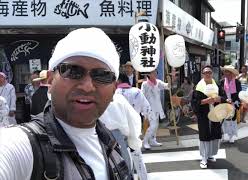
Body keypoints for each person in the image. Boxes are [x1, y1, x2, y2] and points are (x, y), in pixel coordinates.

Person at [0, 27, 132, 180]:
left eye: (102, 75)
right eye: (72, 71)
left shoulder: (112, 145)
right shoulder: (21, 147)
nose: (87, 86)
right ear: (50, 80)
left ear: (114, 89)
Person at [100, 93, 148, 180]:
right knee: (124, 169)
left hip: (102, 137)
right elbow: (133, 120)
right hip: (119, 138)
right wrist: (134, 139)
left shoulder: (91, 98)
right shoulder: (118, 98)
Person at [191, 65, 225, 169]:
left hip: (215, 113)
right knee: (204, 135)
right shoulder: (199, 87)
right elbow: (194, 102)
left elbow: (224, 97)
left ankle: (210, 155)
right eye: (205, 72)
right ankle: (203, 158)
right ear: (203, 74)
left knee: (214, 134)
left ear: (212, 74)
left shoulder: (217, 85)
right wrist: (206, 101)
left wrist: (219, 99)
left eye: (209, 72)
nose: (208, 74)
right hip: (203, 114)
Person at [141, 70, 169, 149]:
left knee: (156, 125)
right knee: (153, 125)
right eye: (153, 73)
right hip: (149, 108)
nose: (155, 74)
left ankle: (153, 140)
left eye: (156, 72)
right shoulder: (145, 84)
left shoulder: (158, 82)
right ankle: (145, 141)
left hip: (157, 107)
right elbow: (142, 95)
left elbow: (167, 86)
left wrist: (171, 79)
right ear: (149, 74)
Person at [220, 65, 242, 143]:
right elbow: (220, 93)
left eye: (228, 72)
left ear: (232, 73)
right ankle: (222, 135)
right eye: (225, 72)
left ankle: (231, 136)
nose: (226, 73)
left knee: (232, 120)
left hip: (233, 103)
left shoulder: (237, 82)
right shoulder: (222, 82)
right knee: (223, 120)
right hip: (224, 102)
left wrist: (232, 100)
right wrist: (225, 99)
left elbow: (239, 93)